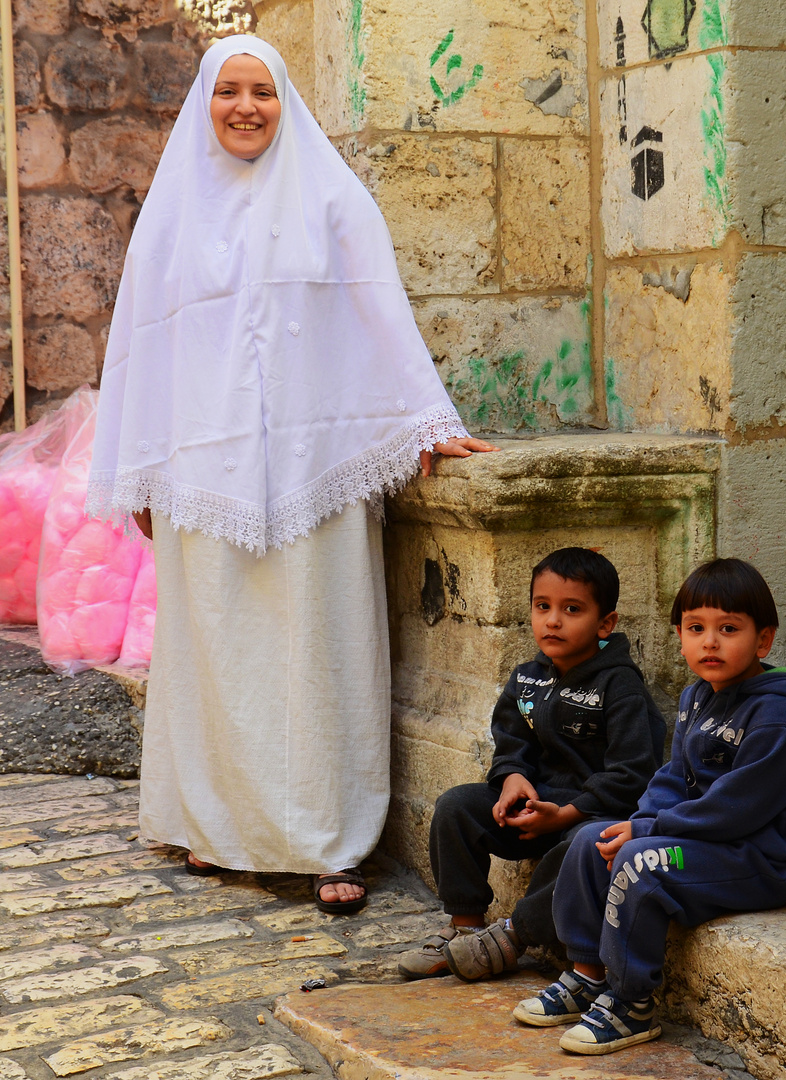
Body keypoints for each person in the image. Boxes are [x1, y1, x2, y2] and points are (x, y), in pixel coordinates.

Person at [86, 35, 496, 913]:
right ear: (204, 102)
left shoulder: (333, 199)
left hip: (319, 470)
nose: (245, 107)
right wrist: (147, 474)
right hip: (204, 471)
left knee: (322, 650)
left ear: (285, 103)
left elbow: (379, 313)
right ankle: (217, 826)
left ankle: (329, 842)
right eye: (228, 91)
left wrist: (427, 421)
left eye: (262, 92)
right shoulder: (171, 218)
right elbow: (142, 353)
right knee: (220, 655)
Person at [512, 558, 786, 1055]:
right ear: (679, 635)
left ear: (763, 641)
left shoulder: (779, 718)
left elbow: (738, 808)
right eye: (696, 628)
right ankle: (587, 974)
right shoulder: (696, 697)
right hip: (704, 842)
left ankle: (631, 1002)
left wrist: (652, 831)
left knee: (641, 866)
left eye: (729, 629)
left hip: (760, 857)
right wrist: (639, 821)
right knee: (591, 838)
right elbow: (672, 778)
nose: (710, 642)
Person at [397, 547, 666, 979]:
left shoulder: (621, 687)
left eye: (571, 609)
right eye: (543, 606)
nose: (553, 620)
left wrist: (566, 814)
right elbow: (510, 738)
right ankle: (465, 926)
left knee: (587, 848)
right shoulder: (529, 676)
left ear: (605, 623)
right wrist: (512, 778)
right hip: (535, 807)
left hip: (590, 812)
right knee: (456, 807)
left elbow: (634, 772)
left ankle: (512, 937)